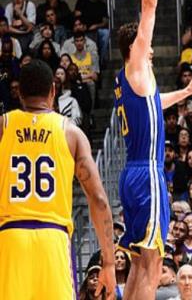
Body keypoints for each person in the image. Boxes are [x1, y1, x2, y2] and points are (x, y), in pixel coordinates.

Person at [113, 0, 192, 300]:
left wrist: (185, 92)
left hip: (131, 175)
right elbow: (149, 6)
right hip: (147, 174)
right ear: (135, 46)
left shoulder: (128, 82)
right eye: (144, 42)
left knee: (139, 262)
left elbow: (154, 105)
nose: (149, 45)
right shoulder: (136, 63)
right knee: (153, 264)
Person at [0, 60, 116, 299]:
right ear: (53, 90)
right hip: (53, 240)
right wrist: (109, 262)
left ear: (19, 92)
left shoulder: (3, 126)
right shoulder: (71, 132)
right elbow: (99, 199)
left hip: (10, 239)